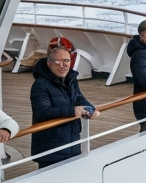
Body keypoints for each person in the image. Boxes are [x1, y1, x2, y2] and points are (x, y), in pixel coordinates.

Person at [30, 40, 98, 168]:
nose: (63, 65)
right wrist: (73, 111)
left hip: (71, 143)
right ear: (49, 63)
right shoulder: (40, 85)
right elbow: (42, 112)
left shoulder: (70, 80)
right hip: (51, 148)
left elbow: (79, 98)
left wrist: (91, 109)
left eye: (66, 61)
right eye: (57, 61)